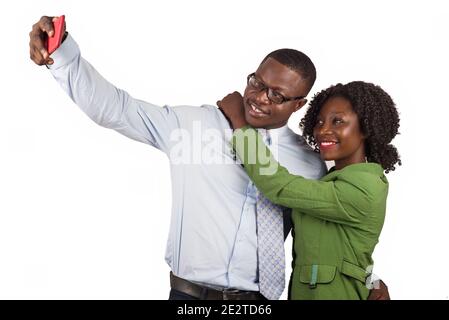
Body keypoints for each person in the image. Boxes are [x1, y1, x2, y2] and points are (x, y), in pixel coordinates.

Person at [29, 15, 390, 300]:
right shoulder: (194, 126)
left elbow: (328, 235)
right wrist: (61, 52)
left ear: (299, 104)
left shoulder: (310, 163)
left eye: (277, 95)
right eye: (256, 82)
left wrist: (369, 281)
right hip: (190, 297)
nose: (259, 98)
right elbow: (116, 108)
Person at [217, 81, 400, 299]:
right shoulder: (327, 181)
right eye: (320, 121)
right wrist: (372, 279)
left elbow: (279, 185)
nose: (323, 130)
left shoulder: (365, 187)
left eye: (337, 121)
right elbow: (347, 252)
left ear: (366, 129)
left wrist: (240, 123)